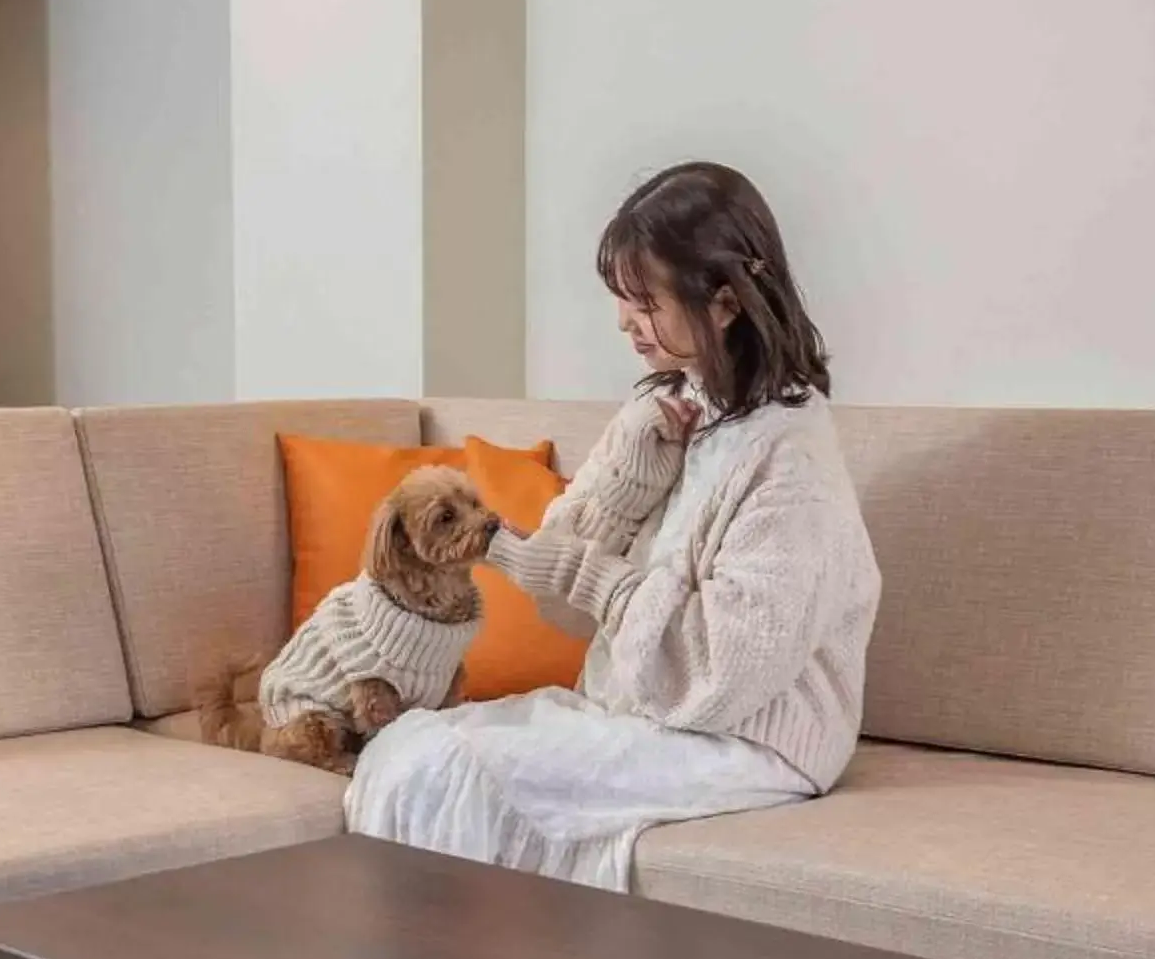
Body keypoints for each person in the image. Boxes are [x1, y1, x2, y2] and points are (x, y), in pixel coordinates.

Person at [346, 160, 881, 889]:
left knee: (443, 772)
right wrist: (630, 476)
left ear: (724, 302)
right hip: (640, 714)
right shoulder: (668, 412)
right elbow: (563, 607)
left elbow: (717, 678)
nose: (624, 322)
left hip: (747, 742)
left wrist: (597, 577)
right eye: (621, 299)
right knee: (409, 752)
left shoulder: (792, 463)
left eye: (645, 301)